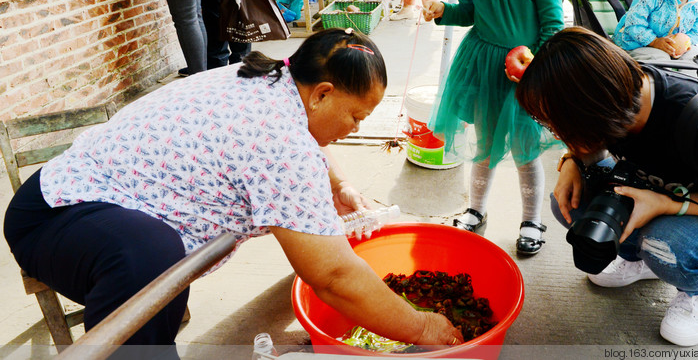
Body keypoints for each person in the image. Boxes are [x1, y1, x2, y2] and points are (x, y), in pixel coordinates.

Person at [3, 28, 464, 352]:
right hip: (57, 216)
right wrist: (422, 325)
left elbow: (311, 145)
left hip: (88, 200)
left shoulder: (272, 77)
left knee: (159, 253)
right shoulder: (280, 140)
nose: (355, 128)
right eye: (356, 117)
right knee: (153, 254)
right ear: (321, 93)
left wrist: (338, 182)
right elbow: (334, 277)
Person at [515, 26, 698, 346]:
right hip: (663, 183)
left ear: (588, 109)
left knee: (668, 240)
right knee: (572, 199)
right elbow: (588, 145)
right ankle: (637, 258)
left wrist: (668, 204)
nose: (554, 132)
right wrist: (572, 159)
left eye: (557, 123)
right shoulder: (616, 98)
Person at [422, 0, 564, 255]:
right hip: (483, 70)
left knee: (525, 152)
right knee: (483, 147)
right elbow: (469, 12)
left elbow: (553, 29)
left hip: (524, 79)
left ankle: (532, 218)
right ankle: (476, 209)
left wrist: (532, 61)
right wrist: (443, 12)